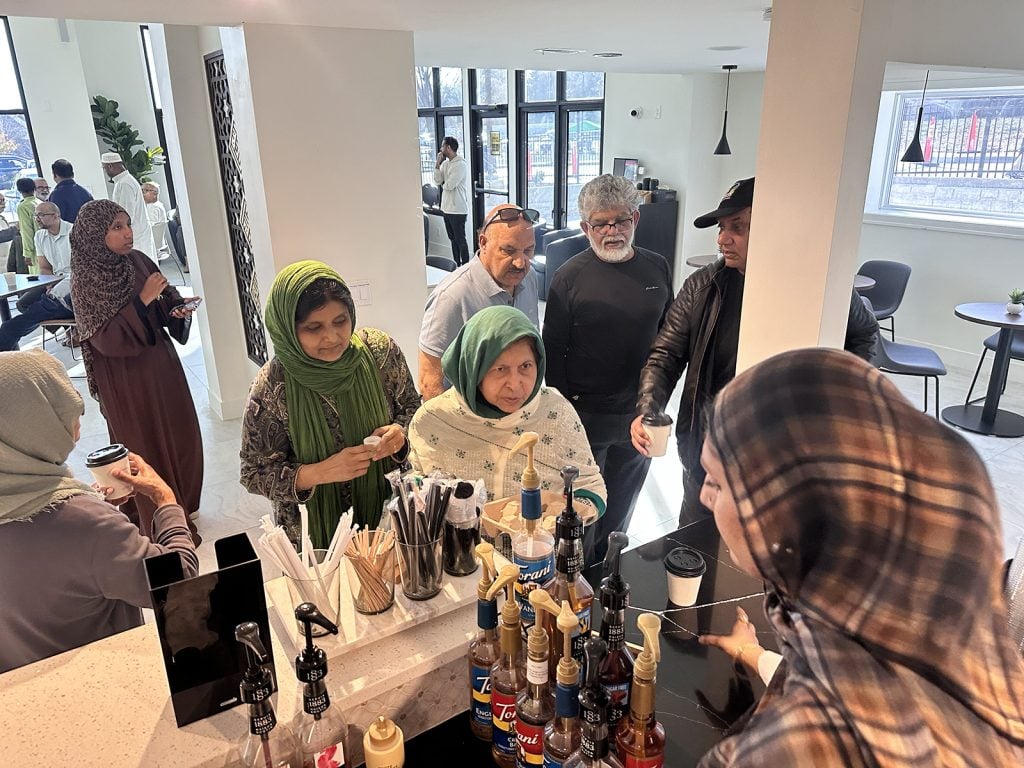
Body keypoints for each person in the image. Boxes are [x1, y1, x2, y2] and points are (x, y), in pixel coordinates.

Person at [694, 348, 1024, 767]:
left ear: (784, 516)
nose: (704, 497)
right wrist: (754, 654)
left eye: (717, 482)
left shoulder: (797, 752)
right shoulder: (964, 645)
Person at [631, 177, 879, 525]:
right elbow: (666, 355)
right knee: (694, 545)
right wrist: (648, 409)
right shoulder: (702, 286)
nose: (722, 239)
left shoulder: (816, 284)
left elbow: (864, 334)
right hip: (708, 450)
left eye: (738, 227)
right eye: (721, 228)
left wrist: (842, 401)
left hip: (781, 460)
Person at [0, 349, 198, 674]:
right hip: (98, 682)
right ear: (32, 424)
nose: (77, 418)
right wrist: (165, 500)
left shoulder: (80, 519)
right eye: (63, 408)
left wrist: (95, 513)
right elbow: (179, 584)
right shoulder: (82, 524)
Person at [240, 260, 421, 548]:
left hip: (388, 516)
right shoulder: (273, 385)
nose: (332, 337)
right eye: (314, 327)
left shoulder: (379, 354)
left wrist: (399, 435)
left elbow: (413, 408)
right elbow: (253, 472)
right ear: (288, 329)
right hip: (314, 537)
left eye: (340, 321)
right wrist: (319, 472)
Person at [543, 174, 672, 563]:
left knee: (621, 510)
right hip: (585, 418)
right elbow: (553, 354)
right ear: (586, 228)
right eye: (601, 224)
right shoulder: (568, 278)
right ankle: (578, 582)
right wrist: (564, 420)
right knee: (583, 513)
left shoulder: (657, 268)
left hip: (639, 415)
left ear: (636, 219)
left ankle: (609, 572)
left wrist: (655, 406)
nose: (612, 231)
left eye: (620, 221)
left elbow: (667, 343)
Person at [69, 200, 202, 542]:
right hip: (124, 375)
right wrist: (142, 301)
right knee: (144, 441)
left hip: (160, 363)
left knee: (179, 430)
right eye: (117, 227)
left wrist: (176, 308)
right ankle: (160, 518)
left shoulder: (137, 260)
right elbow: (104, 339)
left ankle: (182, 501)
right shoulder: (86, 279)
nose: (128, 233)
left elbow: (164, 296)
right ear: (94, 234)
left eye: (127, 224)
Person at [409, 305, 607, 517]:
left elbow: (590, 487)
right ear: (474, 369)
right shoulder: (434, 420)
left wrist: (562, 516)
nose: (514, 384)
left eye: (525, 366)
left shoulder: (556, 413)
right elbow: (415, 487)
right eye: (500, 369)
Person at [419, 203, 541, 400]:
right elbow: (429, 382)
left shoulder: (530, 277)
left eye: (528, 251)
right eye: (508, 250)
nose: (520, 263)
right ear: (483, 243)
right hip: (469, 413)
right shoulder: (452, 296)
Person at [0, 203, 74, 351]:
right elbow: (45, 267)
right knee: (23, 304)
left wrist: (54, 290)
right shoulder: (40, 236)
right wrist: (49, 284)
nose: (37, 219)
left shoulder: (73, 232)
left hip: (72, 283)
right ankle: (70, 328)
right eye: (36, 215)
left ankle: (71, 325)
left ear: (55, 216)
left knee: (8, 329)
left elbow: (80, 270)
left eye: (41, 215)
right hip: (55, 280)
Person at [100, 152, 156, 259]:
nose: (105, 171)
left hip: (135, 237)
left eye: (104, 168)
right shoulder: (123, 181)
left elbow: (126, 215)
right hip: (136, 235)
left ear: (110, 166)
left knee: (140, 266)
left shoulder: (125, 183)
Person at [433, 136, 470, 267]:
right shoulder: (445, 164)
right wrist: (437, 164)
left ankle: (465, 266)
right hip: (446, 208)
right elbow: (437, 181)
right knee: (452, 239)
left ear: (448, 147)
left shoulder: (461, 165)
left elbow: (449, 185)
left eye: (442, 146)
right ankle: (456, 265)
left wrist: (444, 183)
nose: (441, 149)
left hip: (458, 209)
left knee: (460, 240)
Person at [49, 158, 94, 223]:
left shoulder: (56, 195)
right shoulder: (85, 192)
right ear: (72, 174)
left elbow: (56, 222)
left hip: (69, 229)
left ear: (55, 175)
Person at [15, 177, 38, 273]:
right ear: (34, 188)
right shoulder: (40, 202)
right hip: (45, 245)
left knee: (39, 277)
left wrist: (27, 254)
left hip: (35, 250)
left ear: (19, 190)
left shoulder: (23, 206)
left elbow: (27, 231)